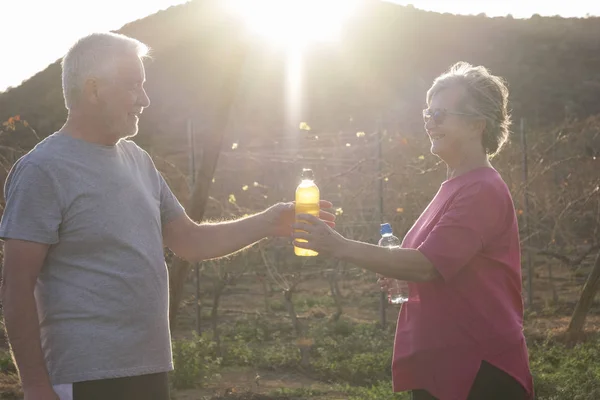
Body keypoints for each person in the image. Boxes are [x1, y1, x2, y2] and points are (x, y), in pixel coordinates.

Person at [0, 32, 335, 400]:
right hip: (83, 376)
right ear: (93, 89)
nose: (145, 100)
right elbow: (17, 284)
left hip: (149, 368)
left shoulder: (137, 161)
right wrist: (34, 385)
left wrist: (270, 222)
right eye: (134, 86)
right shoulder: (43, 170)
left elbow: (189, 241)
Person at [292, 62, 534, 400]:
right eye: (427, 114)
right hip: (445, 363)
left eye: (439, 115)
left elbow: (426, 264)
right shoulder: (454, 185)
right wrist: (401, 274)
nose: (429, 123)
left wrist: (339, 246)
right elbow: (433, 268)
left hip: (478, 370)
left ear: (477, 124)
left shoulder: (482, 188)